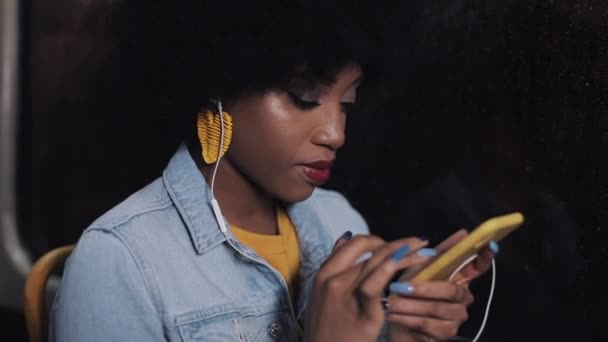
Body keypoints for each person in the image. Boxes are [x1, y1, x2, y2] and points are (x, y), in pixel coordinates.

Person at [49, 1, 496, 341]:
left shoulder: (339, 221)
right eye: (304, 96)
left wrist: (404, 333)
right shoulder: (119, 260)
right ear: (217, 84)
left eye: (347, 102)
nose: (335, 133)